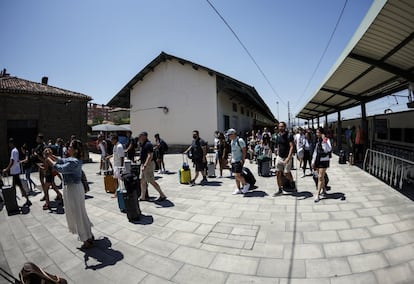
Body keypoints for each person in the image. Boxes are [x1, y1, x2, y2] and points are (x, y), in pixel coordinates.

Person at [43, 140, 94, 249]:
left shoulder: (74, 161)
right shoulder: (73, 160)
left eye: (70, 146)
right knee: (80, 212)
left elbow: (60, 168)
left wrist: (48, 159)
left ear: (75, 150)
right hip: (73, 188)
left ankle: (86, 239)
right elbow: (62, 160)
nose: (68, 148)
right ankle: (88, 235)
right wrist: (51, 155)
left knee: (77, 214)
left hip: (73, 189)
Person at [137, 132, 167, 202]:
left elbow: (150, 156)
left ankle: (162, 195)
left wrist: (145, 165)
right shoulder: (143, 144)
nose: (139, 138)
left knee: (151, 181)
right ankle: (142, 196)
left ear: (144, 136)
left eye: (140, 136)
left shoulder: (148, 144)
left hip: (148, 165)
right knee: (142, 181)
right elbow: (144, 154)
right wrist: (140, 159)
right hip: (144, 164)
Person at [2, 138, 32, 207]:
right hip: (16, 172)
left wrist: (6, 169)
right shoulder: (16, 150)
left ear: (11, 143)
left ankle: (14, 202)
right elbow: (16, 161)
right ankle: (25, 200)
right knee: (18, 187)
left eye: (9, 144)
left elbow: (12, 162)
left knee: (15, 188)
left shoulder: (13, 151)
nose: (9, 145)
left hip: (15, 172)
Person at [274, 121, 295, 196]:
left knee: (286, 173)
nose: (280, 128)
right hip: (279, 157)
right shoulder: (278, 135)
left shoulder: (289, 135)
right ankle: (280, 189)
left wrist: (288, 158)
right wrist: (276, 153)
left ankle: (292, 182)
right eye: (279, 126)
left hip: (287, 157)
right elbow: (278, 145)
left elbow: (292, 147)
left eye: (282, 126)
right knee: (278, 173)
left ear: (285, 127)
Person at [312, 127, 332, 202]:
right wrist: (313, 161)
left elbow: (329, 149)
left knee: (320, 177)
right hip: (317, 160)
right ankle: (323, 189)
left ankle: (317, 195)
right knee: (322, 177)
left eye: (318, 132)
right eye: (316, 132)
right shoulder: (317, 140)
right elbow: (315, 151)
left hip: (324, 160)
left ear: (322, 133)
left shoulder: (326, 140)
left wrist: (325, 141)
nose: (317, 134)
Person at [227, 128, 250, 194]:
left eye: (229, 135)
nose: (228, 136)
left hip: (239, 160)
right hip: (234, 160)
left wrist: (242, 160)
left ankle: (246, 184)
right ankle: (238, 189)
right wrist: (231, 158)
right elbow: (232, 151)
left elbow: (244, 151)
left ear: (233, 134)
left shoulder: (240, 140)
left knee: (237, 175)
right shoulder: (232, 141)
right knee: (235, 176)